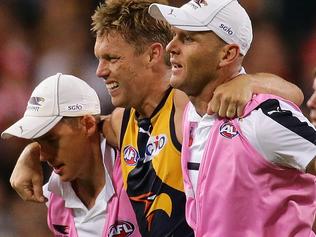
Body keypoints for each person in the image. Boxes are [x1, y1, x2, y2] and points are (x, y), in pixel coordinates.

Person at [9, 0, 304, 236]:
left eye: (112, 58)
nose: (100, 71)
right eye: (99, 58)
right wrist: (32, 151)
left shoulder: (184, 106)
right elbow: (77, 129)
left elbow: (291, 95)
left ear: (152, 55)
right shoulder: (122, 123)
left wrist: (248, 82)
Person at [149, 0, 316, 236]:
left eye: (188, 38)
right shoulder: (191, 114)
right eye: (174, 36)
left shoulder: (260, 118)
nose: (170, 47)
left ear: (228, 54)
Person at [1, 73, 140, 237]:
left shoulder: (136, 162)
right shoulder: (53, 201)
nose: (43, 156)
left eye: (52, 140)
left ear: (87, 124)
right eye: (38, 142)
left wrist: (31, 149)